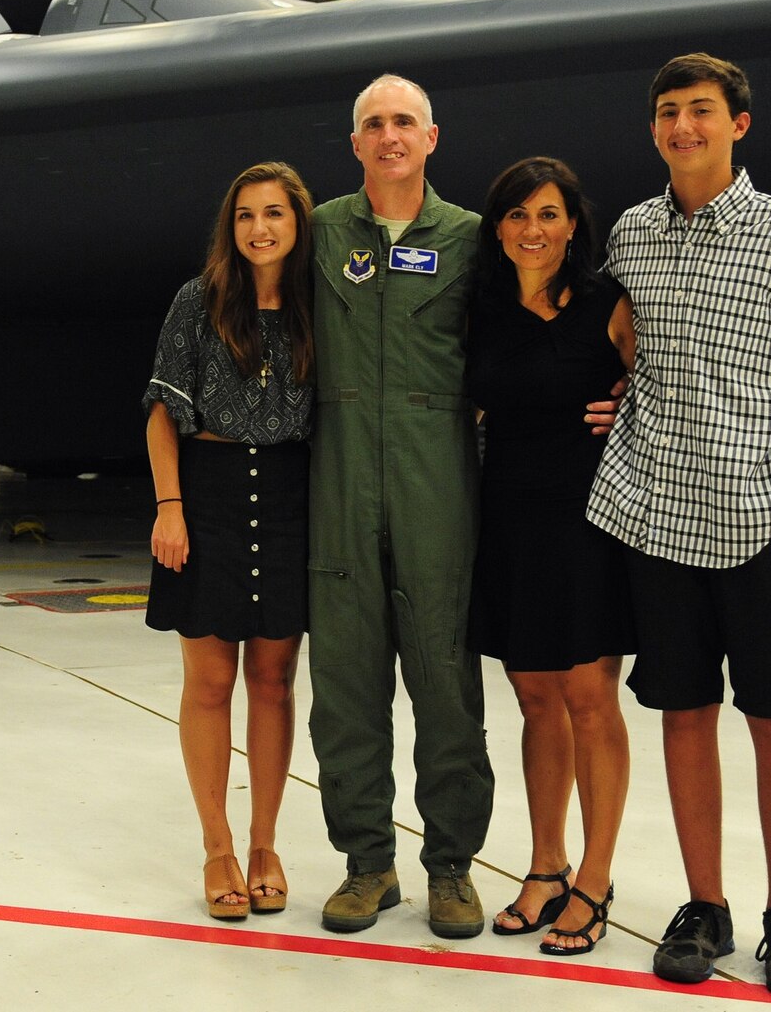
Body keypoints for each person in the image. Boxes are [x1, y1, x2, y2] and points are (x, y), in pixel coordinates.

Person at [588, 53, 771, 997]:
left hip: (764, 517)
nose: (683, 127)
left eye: (701, 111)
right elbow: (615, 328)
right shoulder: (634, 233)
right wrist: (620, 387)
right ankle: (703, 904)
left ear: (738, 124)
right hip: (660, 513)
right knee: (684, 712)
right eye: (668, 113)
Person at [305, 74, 492, 938]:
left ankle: (450, 865)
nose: (389, 136)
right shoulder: (317, 234)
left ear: (432, 137)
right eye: (374, 124)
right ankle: (367, 863)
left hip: (437, 485)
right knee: (345, 682)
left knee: (446, 681)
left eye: (404, 122)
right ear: (355, 144)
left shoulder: (471, 240)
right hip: (340, 482)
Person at [467, 157, 635, 956]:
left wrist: (627, 407)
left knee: (590, 697)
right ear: (497, 228)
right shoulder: (483, 307)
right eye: (516, 215)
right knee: (534, 696)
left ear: (573, 225)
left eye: (548, 214)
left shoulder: (608, 302)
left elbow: (665, 390)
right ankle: (546, 866)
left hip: (588, 521)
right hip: (507, 517)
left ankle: (596, 880)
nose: (532, 230)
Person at [144, 161, 318, 921]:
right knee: (210, 682)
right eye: (245, 215)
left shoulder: (319, 305)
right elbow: (160, 407)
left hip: (291, 495)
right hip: (206, 490)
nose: (259, 228)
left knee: (274, 681)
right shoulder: (200, 299)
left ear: (297, 221)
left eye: (274, 213)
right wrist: (170, 505)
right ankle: (216, 846)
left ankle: (264, 844)